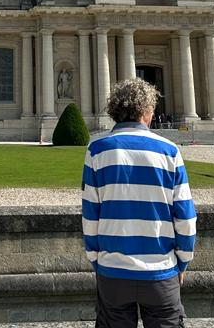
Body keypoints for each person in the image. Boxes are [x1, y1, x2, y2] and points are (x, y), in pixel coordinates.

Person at [82, 78, 196, 327]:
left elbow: (90, 217)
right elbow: (186, 218)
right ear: (146, 111)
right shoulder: (169, 150)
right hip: (160, 272)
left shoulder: (97, 150)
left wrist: (97, 260)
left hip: (112, 272)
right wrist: (183, 262)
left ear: (116, 110)